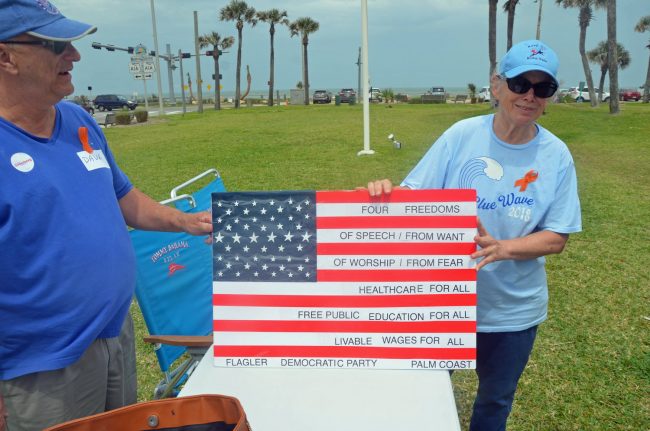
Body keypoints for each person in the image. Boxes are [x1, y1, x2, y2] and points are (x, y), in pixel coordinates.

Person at [0, 1, 212, 430]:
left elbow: (123, 197)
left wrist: (185, 222)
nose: (74, 56)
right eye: (57, 45)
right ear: (6, 57)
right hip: (41, 368)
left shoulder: (78, 121)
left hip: (114, 336)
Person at [368, 40, 581, 430]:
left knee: (494, 403)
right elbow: (414, 197)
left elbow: (557, 236)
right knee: (424, 396)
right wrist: (386, 194)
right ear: (497, 85)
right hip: (442, 304)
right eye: (520, 84)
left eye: (543, 88)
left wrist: (505, 248)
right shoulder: (461, 136)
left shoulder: (557, 155)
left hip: (512, 313)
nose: (529, 96)